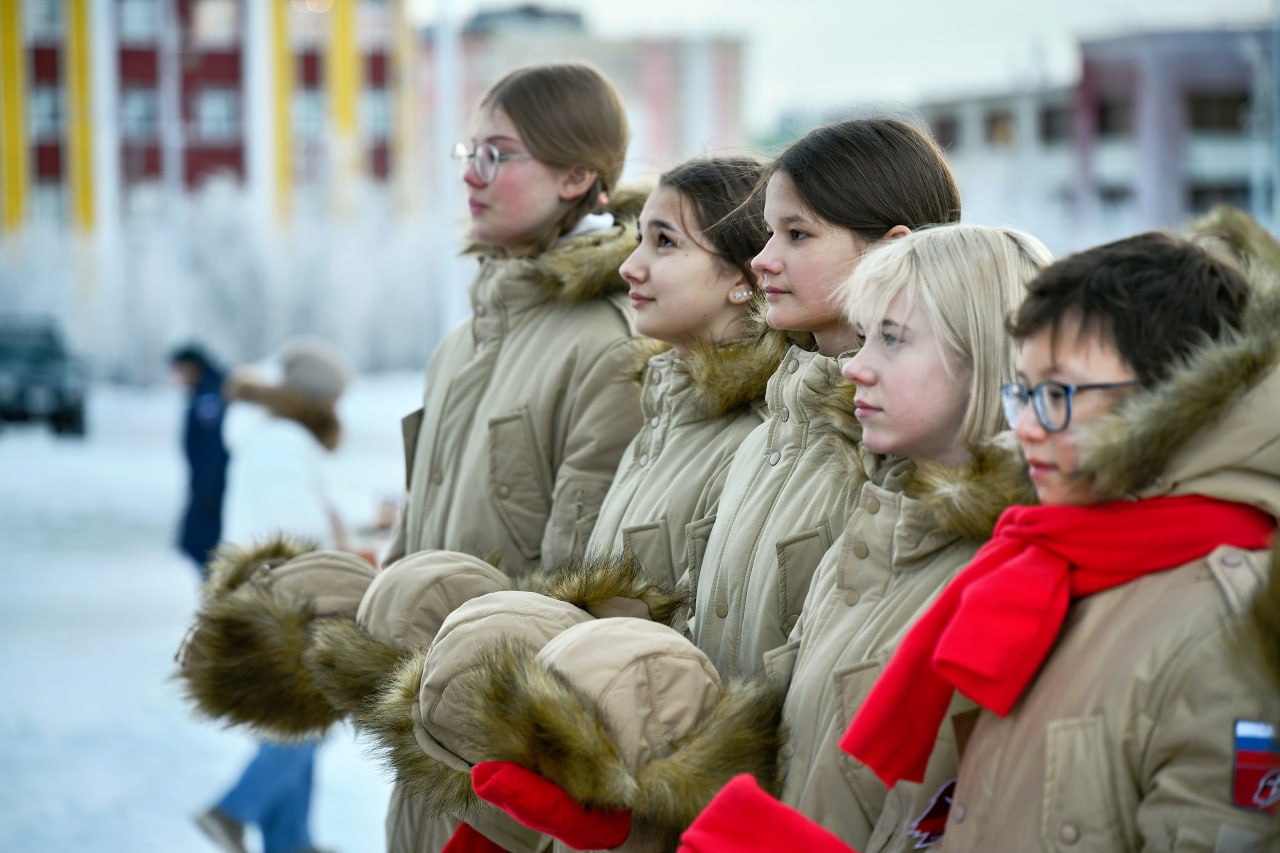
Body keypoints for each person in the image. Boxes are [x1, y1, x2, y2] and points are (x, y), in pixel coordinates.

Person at [835, 230, 1280, 849]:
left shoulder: (1231, 625)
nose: (1029, 431)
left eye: (1058, 395)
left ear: (1177, 395)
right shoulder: (1049, 558)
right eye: (1025, 393)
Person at [772, 225, 1050, 851]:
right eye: (864, 337)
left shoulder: (1014, 579)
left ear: (986, 353)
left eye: (892, 340)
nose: (856, 368)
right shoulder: (881, 520)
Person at [690, 116, 962, 679]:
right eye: (769, 233)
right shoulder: (766, 432)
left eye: (797, 234)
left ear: (891, 253)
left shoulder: (900, 452)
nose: (763, 258)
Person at [382, 61, 644, 580]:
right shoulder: (460, 345)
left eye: (496, 155)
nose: (469, 173)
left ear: (576, 175)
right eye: (470, 152)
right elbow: (411, 543)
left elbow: (582, 586)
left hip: (509, 660)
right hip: (422, 659)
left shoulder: (611, 347)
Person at [581, 155, 783, 592]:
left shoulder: (757, 438)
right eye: (639, 240)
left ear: (744, 273)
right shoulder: (666, 411)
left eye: (664, 242)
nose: (629, 267)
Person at [195, 336, 353, 853]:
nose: (338, 408)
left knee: (289, 721)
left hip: (263, 597)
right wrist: (347, 550)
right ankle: (231, 810)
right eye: (333, 398)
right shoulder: (284, 443)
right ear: (313, 398)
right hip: (286, 603)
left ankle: (291, 843)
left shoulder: (272, 439)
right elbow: (298, 534)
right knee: (303, 722)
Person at [170, 343, 230, 575]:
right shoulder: (207, 390)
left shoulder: (209, 398)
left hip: (211, 495)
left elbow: (212, 449)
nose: (178, 377)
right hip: (209, 491)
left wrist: (207, 492)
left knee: (208, 556)